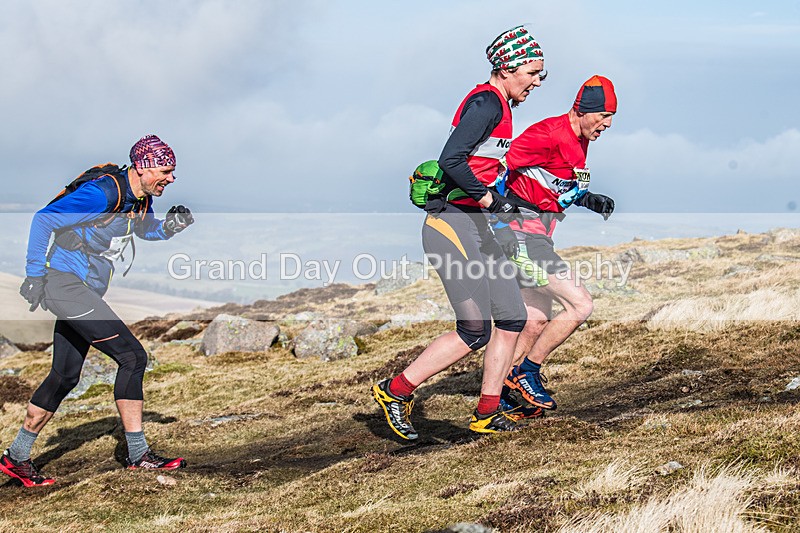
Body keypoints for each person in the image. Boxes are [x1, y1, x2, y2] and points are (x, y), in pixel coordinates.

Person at [373, 25, 546, 439]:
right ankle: (394, 392)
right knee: (475, 328)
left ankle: (486, 412)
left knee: (511, 317)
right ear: (507, 68)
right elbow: (451, 158)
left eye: (543, 74)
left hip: (475, 226)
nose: (538, 81)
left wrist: (508, 205)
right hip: (449, 226)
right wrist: (489, 201)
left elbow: (481, 166)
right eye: (534, 72)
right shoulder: (487, 103)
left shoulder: (500, 106)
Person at [0, 135, 195, 487]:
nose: (171, 178)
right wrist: (34, 276)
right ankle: (139, 455)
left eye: (173, 172)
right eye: (166, 170)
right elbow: (44, 220)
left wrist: (169, 228)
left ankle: (16, 458)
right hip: (64, 284)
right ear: (144, 166)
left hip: (82, 288)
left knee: (65, 376)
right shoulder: (103, 193)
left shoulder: (140, 198)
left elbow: (145, 230)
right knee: (133, 357)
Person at [498, 76, 617, 416]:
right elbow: (497, 167)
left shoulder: (581, 140)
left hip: (539, 234)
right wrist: (500, 214)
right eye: (603, 116)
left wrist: (589, 199)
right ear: (583, 109)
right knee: (580, 304)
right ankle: (527, 371)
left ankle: (503, 394)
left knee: (535, 320)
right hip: (521, 234)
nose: (607, 125)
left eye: (612, 118)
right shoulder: (546, 134)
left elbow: (560, 183)